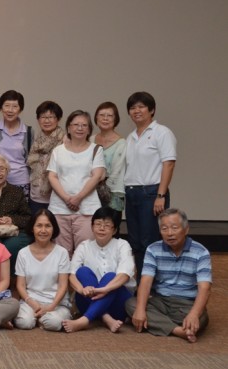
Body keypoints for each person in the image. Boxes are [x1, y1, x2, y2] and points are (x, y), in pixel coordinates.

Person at [126, 208, 211, 343]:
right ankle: (178, 330)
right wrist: (141, 309)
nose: (169, 233)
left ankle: (160, 323)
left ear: (186, 229)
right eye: (164, 229)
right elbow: (146, 281)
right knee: (132, 304)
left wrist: (194, 314)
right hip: (161, 300)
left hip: (186, 303)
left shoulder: (201, 252)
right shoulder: (153, 249)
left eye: (174, 228)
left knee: (201, 318)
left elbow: (205, 288)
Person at [124, 92, 176, 281]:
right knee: (136, 243)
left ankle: (154, 287)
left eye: (141, 106)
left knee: (150, 242)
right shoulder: (130, 137)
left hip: (152, 193)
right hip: (131, 193)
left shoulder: (161, 132)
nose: (136, 111)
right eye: (132, 107)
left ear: (151, 110)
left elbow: (168, 163)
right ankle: (142, 285)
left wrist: (160, 195)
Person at [62, 206, 135, 333]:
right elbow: (72, 274)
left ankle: (84, 320)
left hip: (118, 302)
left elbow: (125, 274)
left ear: (115, 230)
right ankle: (106, 318)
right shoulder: (84, 246)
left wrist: (105, 289)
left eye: (107, 225)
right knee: (82, 272)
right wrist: (82, 289)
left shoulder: (122, 245)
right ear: (92, 227)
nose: (101, 228)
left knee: (111, 277)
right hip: (88, 297)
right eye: (98, 224)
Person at [47, 110, 106, 257]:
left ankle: (82, 280)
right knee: (61, 253)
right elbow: (52, 176)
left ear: (89, 129)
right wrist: (67, 199)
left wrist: (78, 197)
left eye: (84, 125)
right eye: (76, 125)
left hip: (87, 208)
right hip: (59, 208)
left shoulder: (96, 150)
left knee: (85, 252)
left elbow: (97, 176)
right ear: (68, 128)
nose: (80, 128)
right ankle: (63, 280)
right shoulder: (58, 151)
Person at [14, 209, 71, 331]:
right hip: (31, 302)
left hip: (56, 303)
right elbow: (20, 285)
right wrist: (32, 303)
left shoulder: (62, 253)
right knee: (24, 322)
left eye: (48, 226)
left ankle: (43, 318)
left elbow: (63, 285)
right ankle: (40, 318)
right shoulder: (23, 253)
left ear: (54, 229)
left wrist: (51, 306)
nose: (43, 230)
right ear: (32, 228)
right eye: (39, 226)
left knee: (53, 323)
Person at [0, 90, 33, 197]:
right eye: (7, 106)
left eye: (15, 106)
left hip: (22, 181)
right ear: (1, 108)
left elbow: (31, 159)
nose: (10, 110)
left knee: (21, 213)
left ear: (20, 109)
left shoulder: (28, 131)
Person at [27, 100, 66, 214]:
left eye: (51, 117)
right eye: (43, 117)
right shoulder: (36, 139)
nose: (47, 121)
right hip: (35, 194)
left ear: (58, 119)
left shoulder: (65, 140)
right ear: (38, 119)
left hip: (57, 195)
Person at [90, 102, 126, 211]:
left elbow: (117, 172)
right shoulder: (90, 140)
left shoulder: (121, 143)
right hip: (89, 192)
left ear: (116, 119)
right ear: (96, 118)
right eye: (101, 115)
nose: (105, 118)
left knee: (109, 226)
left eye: (110, 115)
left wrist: (102, 190)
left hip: (112, 194)